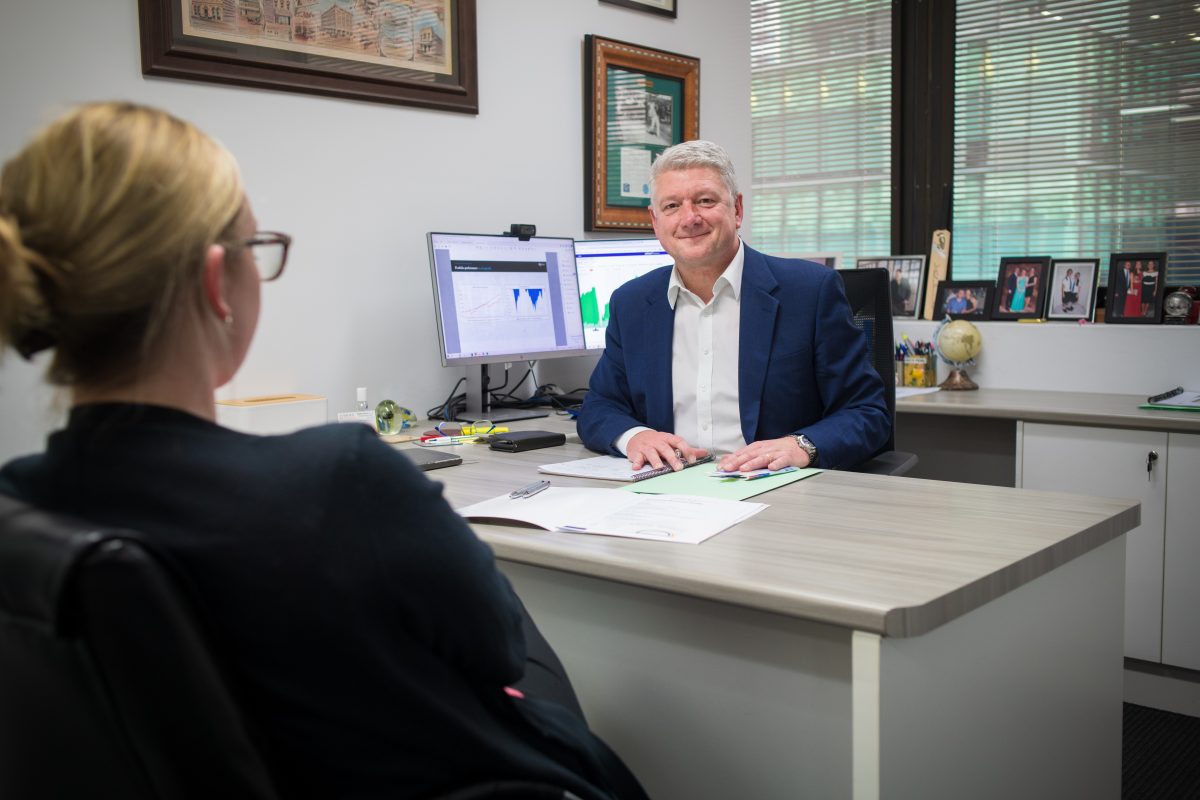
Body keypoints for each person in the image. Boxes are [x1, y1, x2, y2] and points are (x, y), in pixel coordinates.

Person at [0, 102, 647, 800]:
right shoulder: (341, 479)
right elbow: (493, 648)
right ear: (217, 282)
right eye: (257, 247)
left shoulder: (21, 508)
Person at [577, 140, 889, 474]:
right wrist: (635, 437)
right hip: (667, 486)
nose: (689, 218)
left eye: (705, 201)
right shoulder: (632, 303)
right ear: (655, 221)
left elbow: (867, 413)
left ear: (737, 210)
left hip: (775, 486)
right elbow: (599, 406)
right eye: (672, 206)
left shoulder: (810, 292)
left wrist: (801, 446)